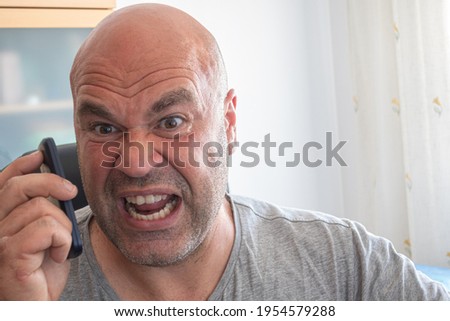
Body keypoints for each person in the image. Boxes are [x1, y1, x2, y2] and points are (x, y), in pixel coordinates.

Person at [0, 3, 448, 301]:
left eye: (171, 121)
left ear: (228, 124)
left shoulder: (345, 263)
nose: (136, 163)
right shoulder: (22, 281)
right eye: (103, 127)